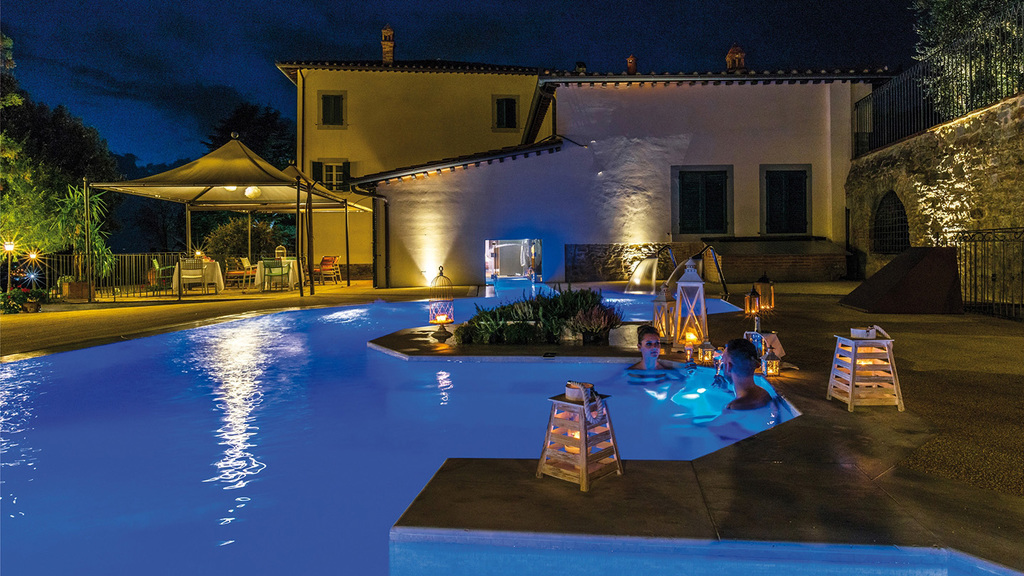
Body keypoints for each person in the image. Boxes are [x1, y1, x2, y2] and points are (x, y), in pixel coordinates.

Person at [721, 337, 772, 410]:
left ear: (729, 366)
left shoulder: (735, 407)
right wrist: (726, 390)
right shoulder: (764, 394)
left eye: (723, 361)